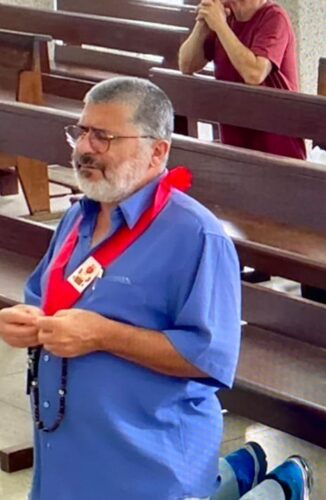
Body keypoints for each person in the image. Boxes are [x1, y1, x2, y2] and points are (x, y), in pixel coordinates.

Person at [0, 78, 245, 498]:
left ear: (157, 151)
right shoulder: (78, 217)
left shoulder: (196, 235)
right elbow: (44, 295)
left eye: (104, 137)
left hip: (147, 465)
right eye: (81, 132)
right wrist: (23, 322)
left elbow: (211, 359)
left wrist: (103, 335)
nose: (84, 148)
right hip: (67, 456)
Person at [178, 0, 306, 160]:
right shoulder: (226, 15)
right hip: (236, 141)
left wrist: (220, 25)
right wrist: (203, 23)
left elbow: (254, 74)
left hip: (277, 146)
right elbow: (187, 65)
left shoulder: (274, 17)